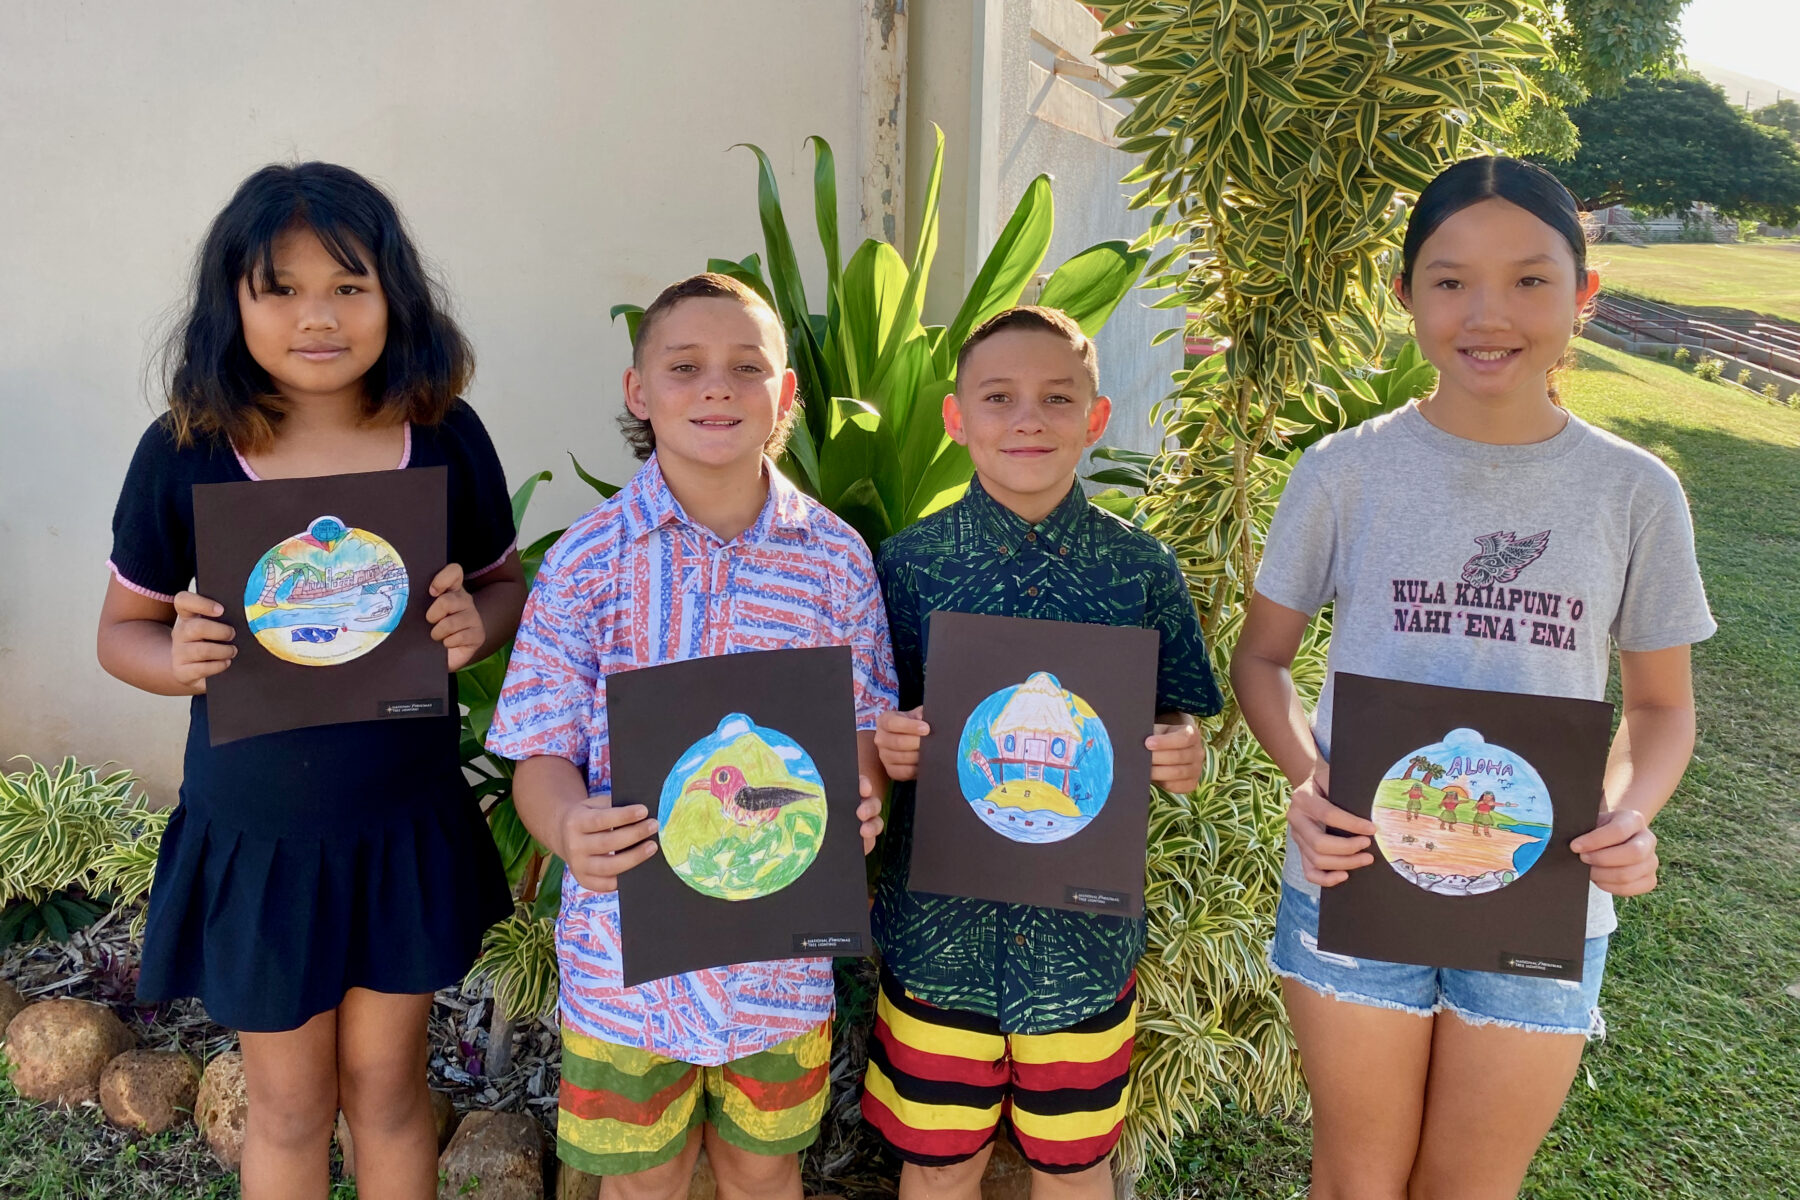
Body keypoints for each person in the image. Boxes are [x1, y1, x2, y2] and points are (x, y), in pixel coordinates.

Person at [1231, 155, 1715, 1200]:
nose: (1488, 314)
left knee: (1471, 1186)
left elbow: (1662, 706)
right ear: (1404, 294)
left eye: (1531, 279)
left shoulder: (1636, 492)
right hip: (1354, 877)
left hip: (1543, 892)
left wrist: (1630, 813)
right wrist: (1308, 777)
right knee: (1357, 1178)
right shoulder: (1345, 470)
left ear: (1585, 294)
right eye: (1450, 280)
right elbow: (1260, 658)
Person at [96, 162, 525, 1199]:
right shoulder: (187, 453)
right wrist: (175, 660)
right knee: (287, 1106)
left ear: (395, 296)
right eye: (280, 289)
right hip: (260, 840)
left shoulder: (444, 434)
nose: (317, 316)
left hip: (400, 825)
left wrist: (475, 625)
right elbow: (121, 632)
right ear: (231, 303)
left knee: (388, 1089)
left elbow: (505, 586)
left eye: (348, 285)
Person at [484, 273, 897, 1200]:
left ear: (786, 394)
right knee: (644, 1181)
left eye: (747, 367)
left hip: (778, 960)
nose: (717, 387)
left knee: (764, 1170)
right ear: (639, 391)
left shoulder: (836, 560)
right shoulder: (586, 562)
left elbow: (863, 726)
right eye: (685, 367)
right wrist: (567, 828)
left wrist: (863, 795)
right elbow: (541, 748)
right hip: (626, 961)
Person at [860, 306, 1222, 1199]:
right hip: (938, 940)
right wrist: (888, 743)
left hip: (1082, 946)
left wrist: (1184, 746)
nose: (1028, 418)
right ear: (956, 418)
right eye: (999, 397)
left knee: (1076, 1162)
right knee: (937, 1164)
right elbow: (875, 717)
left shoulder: (1140, 569)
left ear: (1095, 419)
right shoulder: (907, 565)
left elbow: (1177, 712)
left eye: (1057, 398)